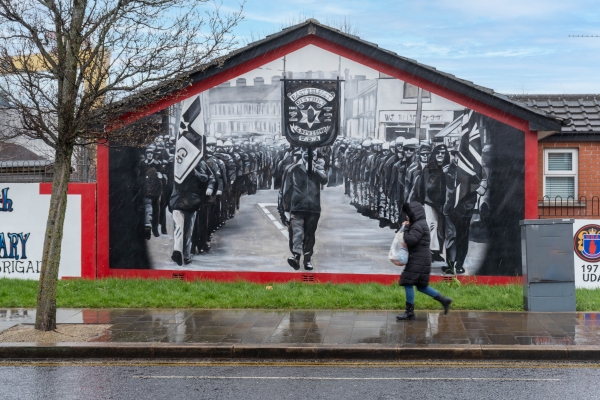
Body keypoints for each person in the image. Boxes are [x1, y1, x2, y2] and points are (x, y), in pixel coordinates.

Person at [396, 201, 453, 320]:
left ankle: (409, 312)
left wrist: (406, 228)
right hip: (421, 259)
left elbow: (410, 240)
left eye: (408, 214)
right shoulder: (420, 224)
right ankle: (444, 300)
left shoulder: (417, 225)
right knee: (421, 286)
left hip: (418, 259)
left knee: (407, 282)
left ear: (414, 214)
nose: (407, 216)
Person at [280, 147, 328, 271]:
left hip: (313, 208)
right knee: (296, 232)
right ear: (301, 153)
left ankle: (307, 259)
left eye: (312, 152)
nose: (309, 153)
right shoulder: (292, 169)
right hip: (297, 206)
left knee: (309, 235)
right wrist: (284, 209)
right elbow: (285, 190)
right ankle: (296, 256)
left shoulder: (318, 168)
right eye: (306, 151)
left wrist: (314, 168)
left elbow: (324, 179)